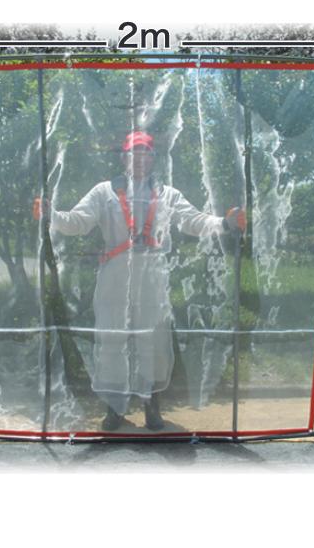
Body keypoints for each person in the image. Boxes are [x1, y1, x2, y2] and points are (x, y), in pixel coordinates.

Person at [33, 131, 246, 431]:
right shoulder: (104, 192)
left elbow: (193, 221)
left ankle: (151, 407)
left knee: (153, 342)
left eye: (146, 153)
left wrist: (224, 223)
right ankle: (114, 409)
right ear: (124, 157)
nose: (140, 159)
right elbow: (78, 222)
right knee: (111, 340)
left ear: (153, 158)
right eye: (134, 153)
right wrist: (51, 215)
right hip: (115, 276)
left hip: (152, 277)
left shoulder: (167, 194)